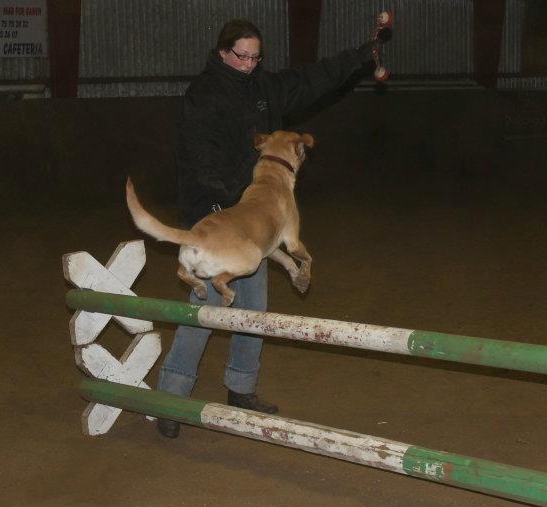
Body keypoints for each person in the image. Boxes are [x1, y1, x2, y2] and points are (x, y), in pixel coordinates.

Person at [156, 17, 389, 438]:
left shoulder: (266, 88)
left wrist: (360, 56)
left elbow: (314, 78)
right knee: (202, 311)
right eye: (240, 56)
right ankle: (169, 399)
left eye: (255, 57)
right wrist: (217, 210)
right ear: (223, 52)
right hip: (214, 216)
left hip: (253, 218)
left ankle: (240, 389)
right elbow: (197, 155)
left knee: (254, 310)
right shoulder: (203, 96)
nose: (248, 64)